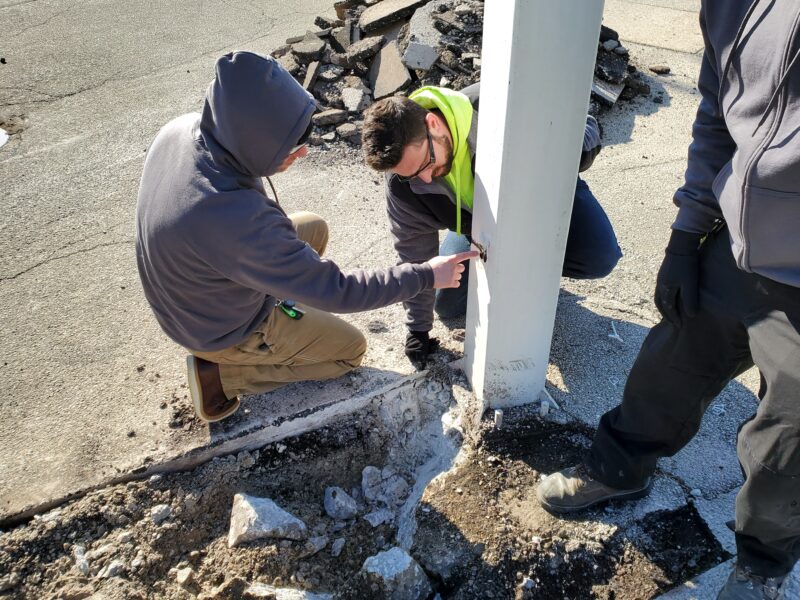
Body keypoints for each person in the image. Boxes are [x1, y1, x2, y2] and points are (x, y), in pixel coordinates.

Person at [537, 1, 800, 597]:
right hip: (735, 248)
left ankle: (761, 564)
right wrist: (688, 236)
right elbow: (717, 115)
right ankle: (617, 468)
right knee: (668, 366)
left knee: (785, 444)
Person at [136, 51, 476, 423]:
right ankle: (223, 373)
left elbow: (246, 236)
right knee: (349, 350)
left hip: (189, 285)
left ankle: (277, 293)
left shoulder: (187, 130)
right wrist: (426, 279)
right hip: (219, 326)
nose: (302, 152)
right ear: (255, 139)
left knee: (312, 226)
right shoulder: (234, 218)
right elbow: (338, 290)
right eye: (290, 146)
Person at [361, 83, 621, 370]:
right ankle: (501, 252)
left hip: (544, 198)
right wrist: (418, 330)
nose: (424, 180)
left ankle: (529, 265)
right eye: (411, 175)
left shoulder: (499, 100)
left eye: (426, 165)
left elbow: (586, 123)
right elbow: (414, 254)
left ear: (433, 124)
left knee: (598, 258)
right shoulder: (404, 183)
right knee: (445, 302)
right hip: (477, 221)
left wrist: (561, 156)